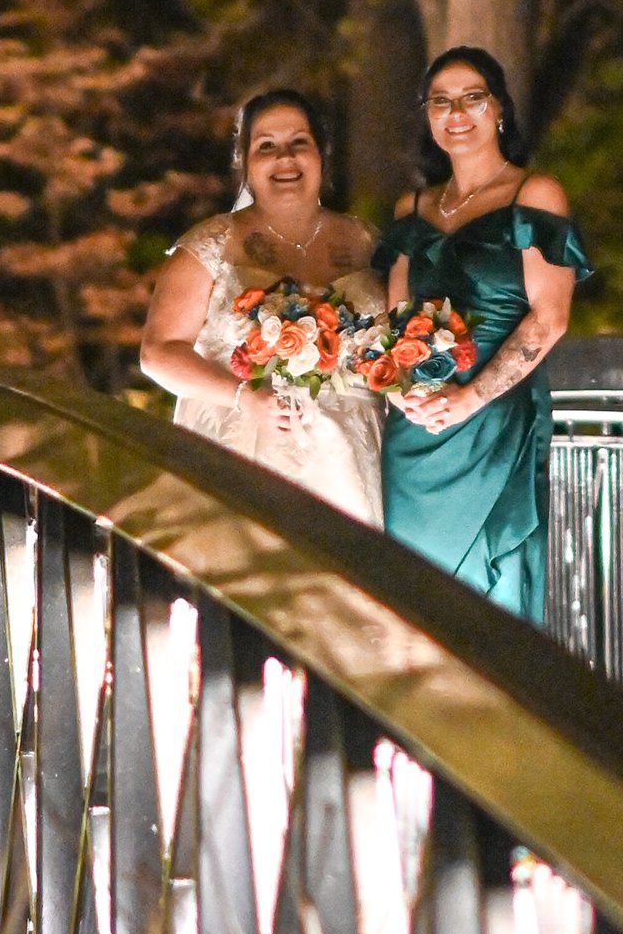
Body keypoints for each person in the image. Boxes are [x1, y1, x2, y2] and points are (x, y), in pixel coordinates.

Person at [377, 47, 590, 623]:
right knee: (412, 605)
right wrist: (401, 393)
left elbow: (550, 317)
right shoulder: (412, 207)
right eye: (440, 101)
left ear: (499, 108)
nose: (457, 113)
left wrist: (469, 397)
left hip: (493, 421)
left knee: (493, 606)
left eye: (473, 97)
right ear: (427, 117)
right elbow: (394, 324)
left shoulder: (535, 195)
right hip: (417, 431)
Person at [140, 86, 386, 524]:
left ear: (321, 155)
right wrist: (243, 395)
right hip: (242, 453)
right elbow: (158, 354)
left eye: (299, 143)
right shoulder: (210, 244)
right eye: (266, 146)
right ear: (245, 163)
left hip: (350, 459)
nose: (284, 158)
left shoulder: (367, 243)